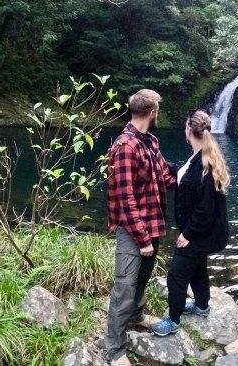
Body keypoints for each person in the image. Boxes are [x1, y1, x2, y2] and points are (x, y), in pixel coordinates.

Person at [104, 89, 176, 366]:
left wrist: (198, 174)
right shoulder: (125, 147)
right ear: (153, 111)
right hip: (133, 230)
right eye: (159, 107)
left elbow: (165, 176)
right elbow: (126, 198)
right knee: (124, 287)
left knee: (142, 278)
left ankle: (136, 315)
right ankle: (114, 349)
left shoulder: (150, 141)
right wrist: (143, 239)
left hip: (153, 224)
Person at [151, 109, 230, 337]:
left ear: (188, 130)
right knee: (198, 266)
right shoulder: (200, 157)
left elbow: (205, 211)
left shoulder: (205, 167)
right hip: (207, 233)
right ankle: (202, 306)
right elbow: (181, 173)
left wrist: (187, 234)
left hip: (202, 233)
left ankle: (173, 319)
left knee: (176, 274)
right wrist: (159, 160)